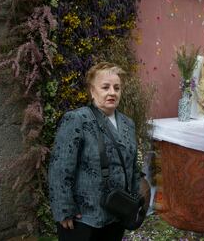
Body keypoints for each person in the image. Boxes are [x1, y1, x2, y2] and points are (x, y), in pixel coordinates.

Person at [48, 62, 140, 241]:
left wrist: (134, 202)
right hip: (84, 218)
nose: (112, 92)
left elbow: (133, 166)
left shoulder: (128, 124)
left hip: (118, 213)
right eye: (105, 87)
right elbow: (60, 168)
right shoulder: (77, 119)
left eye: (117, 88)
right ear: (92, 91)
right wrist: (64, 210)